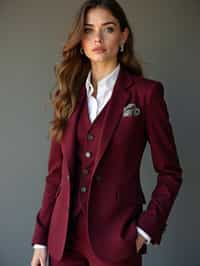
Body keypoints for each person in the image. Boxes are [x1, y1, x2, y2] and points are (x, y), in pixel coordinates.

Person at [30, 0, 183, 265]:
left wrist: (145, 230)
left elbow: (170, 172)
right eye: (88, 30)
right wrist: (41, 239)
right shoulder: (67, 95)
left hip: (117, 241)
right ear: (81, 39)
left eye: (108, 29)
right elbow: (56, 175)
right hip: (63, 241)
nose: (97, 38)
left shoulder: (146, 94)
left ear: (123, 35)